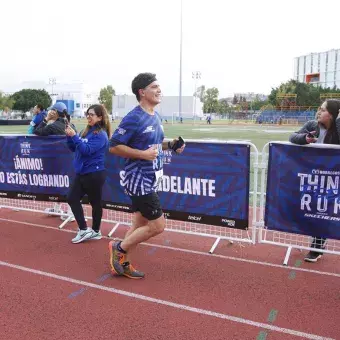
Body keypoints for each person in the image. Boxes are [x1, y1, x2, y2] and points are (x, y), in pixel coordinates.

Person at [108, 72, 185, 279]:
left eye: (159, 86)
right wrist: (142, 154)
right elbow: (114, 146)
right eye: (154, 87)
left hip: (151, 178)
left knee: (138, 225)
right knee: (158, 225)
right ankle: (119, 248)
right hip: (138, 180)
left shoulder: (154, 115)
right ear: (142, 92)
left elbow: (154, 144)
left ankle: (122, 263)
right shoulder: (134, 117)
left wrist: (171, 145)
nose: (159, 90)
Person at [289, 99, 340, 262]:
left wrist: (338, 120)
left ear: (332, 115)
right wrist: (305, 138)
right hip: (311, 176)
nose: (319, 111)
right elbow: (292, 136)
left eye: (323, 109)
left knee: (323, 211)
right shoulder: (312, 125)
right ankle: (315, 241)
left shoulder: (337, 130)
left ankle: (317, 247)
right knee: (307, 207)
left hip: (332, 178)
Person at [65, 104, 112, 244]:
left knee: (95, 203)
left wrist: (75, 137)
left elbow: (86, 150)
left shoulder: (101, 135)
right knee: (72, 198)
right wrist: (69, 136)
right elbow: (74, 148)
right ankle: (84, 229)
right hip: (82, 172)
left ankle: (96, 231)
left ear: (100, 117)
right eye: (87, 114)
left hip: (94, 173)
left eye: (91, 114)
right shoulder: (86, 131)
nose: (88, 117)